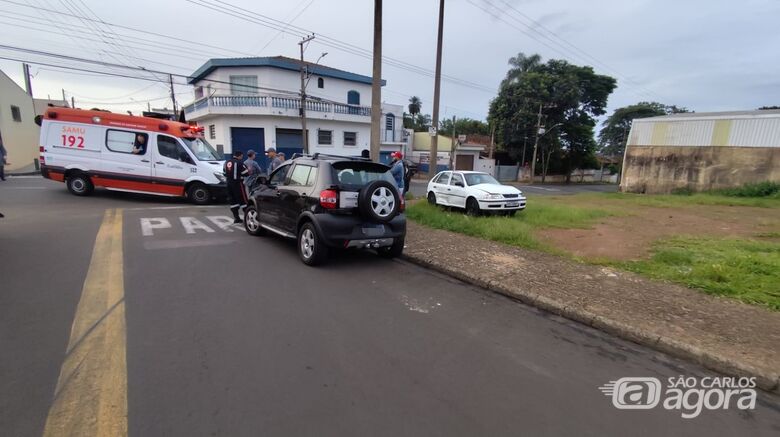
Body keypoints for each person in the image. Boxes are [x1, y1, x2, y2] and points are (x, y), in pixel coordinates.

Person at [223, 150, 249, 224]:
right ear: (240, 155)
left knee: (233, 201)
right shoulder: (240, 163)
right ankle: (248, 217)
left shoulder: (227, 162)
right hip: (238, 184)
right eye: (242, 156)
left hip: (228, 184)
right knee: (243, 200)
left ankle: (236, 218)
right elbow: (246, 173)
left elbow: (224, 173)